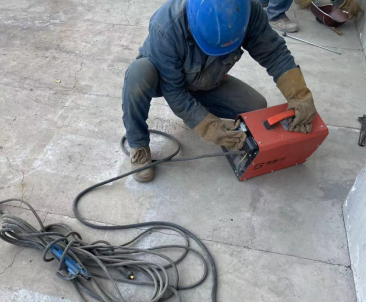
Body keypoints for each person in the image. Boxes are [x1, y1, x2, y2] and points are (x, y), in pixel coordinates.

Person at [122, 0, 316, 183]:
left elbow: (273, 53)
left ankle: (195, 112)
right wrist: (210, 127)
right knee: (140, 73)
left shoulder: (247, 11)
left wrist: (298, 95)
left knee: (255, 107)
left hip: (207, 82)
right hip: (165, 81)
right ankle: (138, 144)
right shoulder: (166, 26)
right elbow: (173, 90)